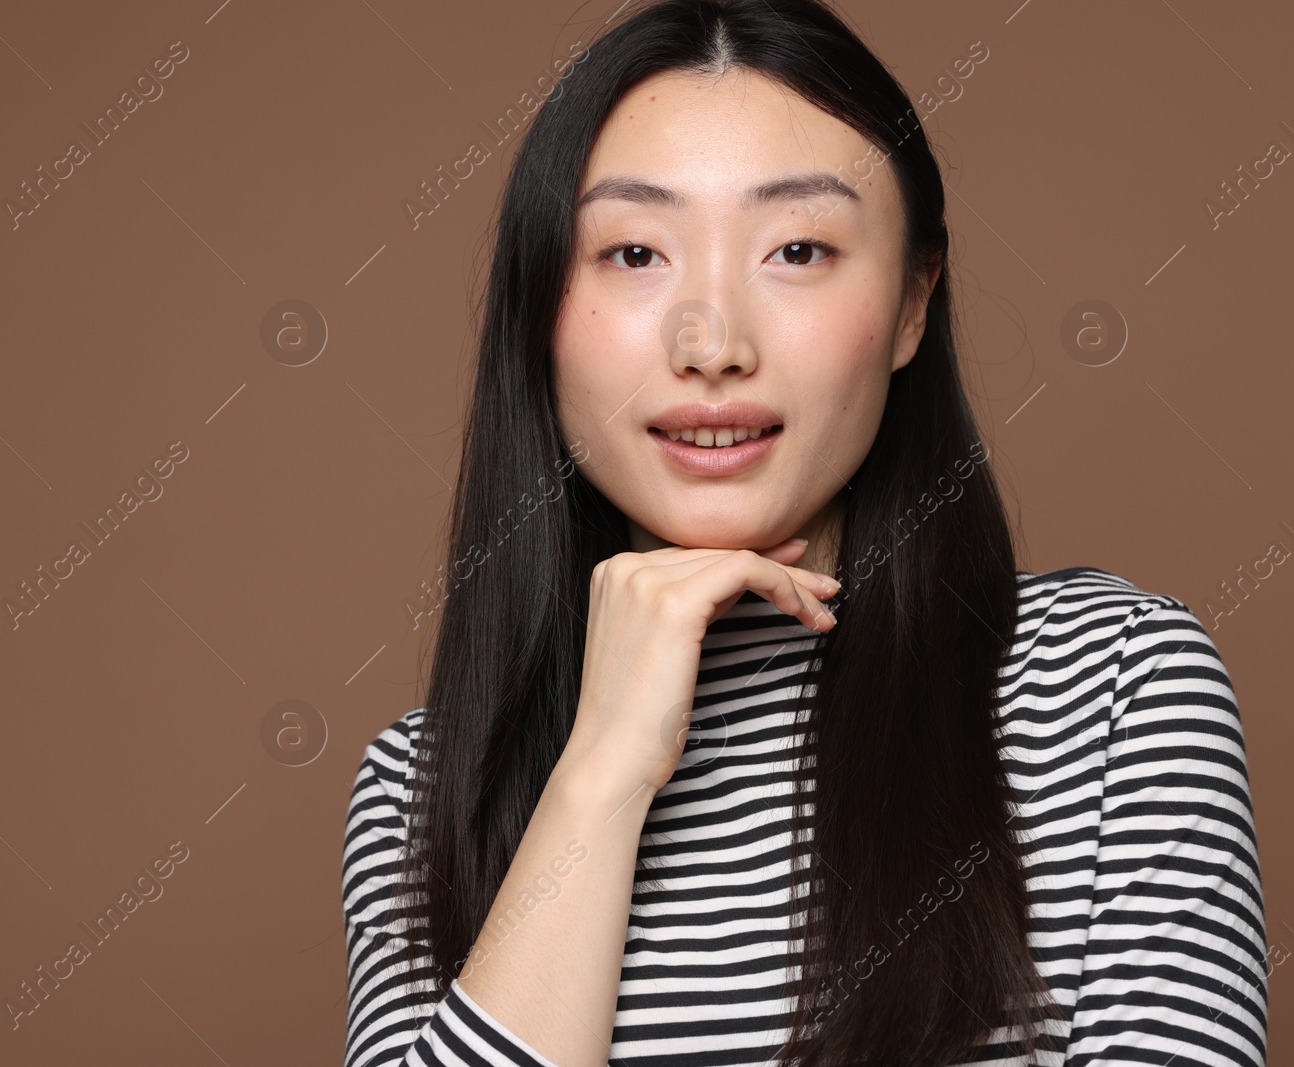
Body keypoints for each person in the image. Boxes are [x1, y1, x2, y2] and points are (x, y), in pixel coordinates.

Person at [340, 1, 1269, 1064]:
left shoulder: (1109, 686)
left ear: (914, 301)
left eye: (796, 247)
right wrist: (600, 770)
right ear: (537, 311)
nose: (712, 342)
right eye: (635, 251)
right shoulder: (422, 791)